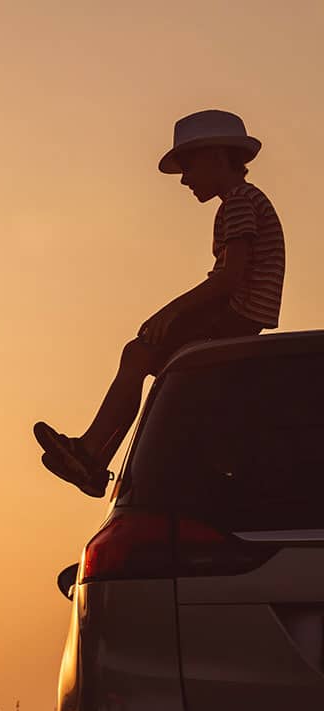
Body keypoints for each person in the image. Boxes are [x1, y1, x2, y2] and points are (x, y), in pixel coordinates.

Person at [35, 109, 285, 497]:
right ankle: (92, 458)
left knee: (138, 355)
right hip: (239, 314)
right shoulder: (245, 200)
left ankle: (91, 455)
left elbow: (230, 278)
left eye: (188, 166)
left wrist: (170, 311)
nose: (184, 179)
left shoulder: (237, 202)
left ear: (217, 157)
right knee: (146, 362)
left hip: (234, 315)